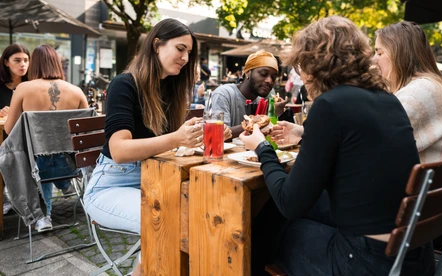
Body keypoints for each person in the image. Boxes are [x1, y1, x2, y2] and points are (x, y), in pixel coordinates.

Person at [240, 16, 434, 276]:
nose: (300, 74)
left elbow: (290, 202)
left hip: (367, 263)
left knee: (273, 224)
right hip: (412, 255)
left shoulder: (330, 105)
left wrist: (262, 148)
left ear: (315, 63)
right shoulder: (388, 100)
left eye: (300, 65)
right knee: (283, 214)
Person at [83, 19, 230, 276]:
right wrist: (176, 138)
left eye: (189, 53)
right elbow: (119, 150)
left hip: (155, 182)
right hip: (110, 188)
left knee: (209, 213)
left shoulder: (169, 89)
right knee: (168, 223)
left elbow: (168, 143)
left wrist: (196, 134)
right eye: (180, 49)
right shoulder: (124, 84)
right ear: (157, 45)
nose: (185, 58)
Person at [4, 44, 88, 232]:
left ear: (34, 64)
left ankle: (43, 216)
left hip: (36, 168)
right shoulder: (76, 91)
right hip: (71, 166)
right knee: (51, 156)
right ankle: (65, 185)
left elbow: (10, 130)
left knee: (38, 156)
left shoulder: (23, 88)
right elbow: (85, 132)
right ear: (57, 64)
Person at [374, 21, 442, 164]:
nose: (373, 59)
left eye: (379, 53)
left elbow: (375, 144)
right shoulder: (429, 86)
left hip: (428, 185)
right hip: (441, 183)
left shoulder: (417, 93)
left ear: (399, 54)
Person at [211, 50, 287, 138]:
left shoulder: (265, 99)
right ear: (248, 72)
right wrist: (267, 117)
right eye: (263, 74)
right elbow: (218, 134)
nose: (269, 81)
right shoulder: (223, 94)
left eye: (273, 77)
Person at [0, 44, 30, 215]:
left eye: (26, 60)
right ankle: (4, 199)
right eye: (17, 60)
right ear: (6, 62)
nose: (23, 64)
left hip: (26, 138)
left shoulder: (31, 85)